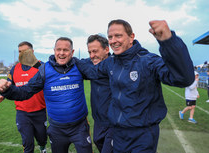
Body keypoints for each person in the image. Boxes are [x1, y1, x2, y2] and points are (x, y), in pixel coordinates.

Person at [75, 19, 195, 153]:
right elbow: (91, 71)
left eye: (118, 36)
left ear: (131, 37)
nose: (113, 40)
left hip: (142, 136)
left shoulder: (147, 61)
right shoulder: (111, 63)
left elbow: (183, 79)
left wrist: (169, 41)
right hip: (118, 133)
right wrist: (70, 58)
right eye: (110, 37)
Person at [0, 37, 92, 153]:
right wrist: (7, 90)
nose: (61, 53)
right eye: (58, 49)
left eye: (65, 50)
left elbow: (99, 73)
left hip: (80, 127)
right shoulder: (44, 70)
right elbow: (25, 91)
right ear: (54, 50)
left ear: (72, 52)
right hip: (57, 130)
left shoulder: (79, 65)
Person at [0, 41, 47, 153]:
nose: (21, 54)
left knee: (42, 138)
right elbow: (8, 86)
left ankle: (43, 148)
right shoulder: (14, 69)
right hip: (22, 113)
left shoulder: (42, 67)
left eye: (24, 51)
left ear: (32, 52)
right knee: (27, 143)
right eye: (19, 52)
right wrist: (2, 96)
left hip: (40, 111)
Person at [86, 34, 113, 153]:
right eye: (89, 52)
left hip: (115, 123)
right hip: (98, 121)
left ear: (106, 49)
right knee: (97, 141)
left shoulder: (118, 65)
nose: (92, 56)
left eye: (95, 51)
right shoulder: (90, 65)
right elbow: (72, 62)